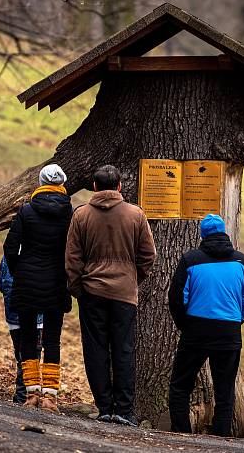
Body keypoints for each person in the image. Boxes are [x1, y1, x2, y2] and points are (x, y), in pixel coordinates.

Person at [65, 165, 157, 426]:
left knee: (96, 350)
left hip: (91, 291)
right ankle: (124, 411)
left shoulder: (81, 215)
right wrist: (132, 278)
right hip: (124, 293)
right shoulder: (136, 214)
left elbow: (72, 258)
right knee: (123, 350)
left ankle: (104, 407)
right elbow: (148, 255)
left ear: (94, 186)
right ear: (119, 186)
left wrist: (77, 287)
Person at [167, 214, 244, 437]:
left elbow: (177, 298)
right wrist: (236, 319)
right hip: (228, 331)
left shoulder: (191, 260)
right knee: (225, 391)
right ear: (224, 232)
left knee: (180, 385)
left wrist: (185, 325)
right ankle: (220, 437)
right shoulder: (241, 261)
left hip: (196, 330)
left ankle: (182, 433)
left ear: (203, 234)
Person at [4, 164, 72, 413]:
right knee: (53, 339)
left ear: (40, 183)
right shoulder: (70, 213)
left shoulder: (26, 211)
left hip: (27, 283)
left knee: (29, 339)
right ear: (61, 184)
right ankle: (50, 398)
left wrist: (18, 271)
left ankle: (31, 393)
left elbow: (10, 248)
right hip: (56, 283)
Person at [0, 254, 42, 404]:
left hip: (13, 308)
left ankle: (23, 394)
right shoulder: (40, 252)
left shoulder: (10, 252)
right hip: (36, 311)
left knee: (21, 353)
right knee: (32, 353)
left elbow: (2, 284)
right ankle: (25, 394)